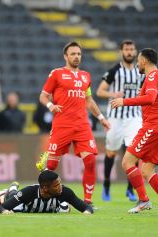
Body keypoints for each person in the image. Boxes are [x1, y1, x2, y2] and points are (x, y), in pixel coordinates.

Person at [36, 41, 110, 206]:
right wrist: (50, 106)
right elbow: (43, 96)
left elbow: (89, 101)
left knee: (90, 160)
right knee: (52, 167)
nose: (76, 57)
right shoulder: (56, 74)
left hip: (82, 125)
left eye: (78, 54)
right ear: (65, 56)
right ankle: (43, 196)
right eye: (73, 54)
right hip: (62, 124)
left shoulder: (86, 76)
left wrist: (102, 118)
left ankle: (88, 201)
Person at [110, 48, 158, 214]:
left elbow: (150, 98)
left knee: (127, 161)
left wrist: (124, 101)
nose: (137, 63)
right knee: (147, 170)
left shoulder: (153, 76)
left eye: (139, 60)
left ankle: (144, 200)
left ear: (144, 61)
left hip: (152, 127)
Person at [96, 39, 144, 202]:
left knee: (134, 153)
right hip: (115, 117)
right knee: (111, 152)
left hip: (134, 117)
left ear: (136, 52)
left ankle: (131, 189)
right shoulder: (114, 71)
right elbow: (100, 91)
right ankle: (107, 185)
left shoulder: (140, 71)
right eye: (126, 49)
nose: (129, 52)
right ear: (121, 52)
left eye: (132, 49)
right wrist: (113, 94)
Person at [0, 170, 93, 214]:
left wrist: (87, 212)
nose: (60, 187)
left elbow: (86, 207)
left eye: (60, 183)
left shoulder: (65, 192)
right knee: (16, 207)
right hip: (23, 206)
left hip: (54, 207)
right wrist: (4, 211)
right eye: (56, 185)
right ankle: (13, 187)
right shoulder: (28, 192)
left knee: (65, 209)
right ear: (45, 188)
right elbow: (0, 208)